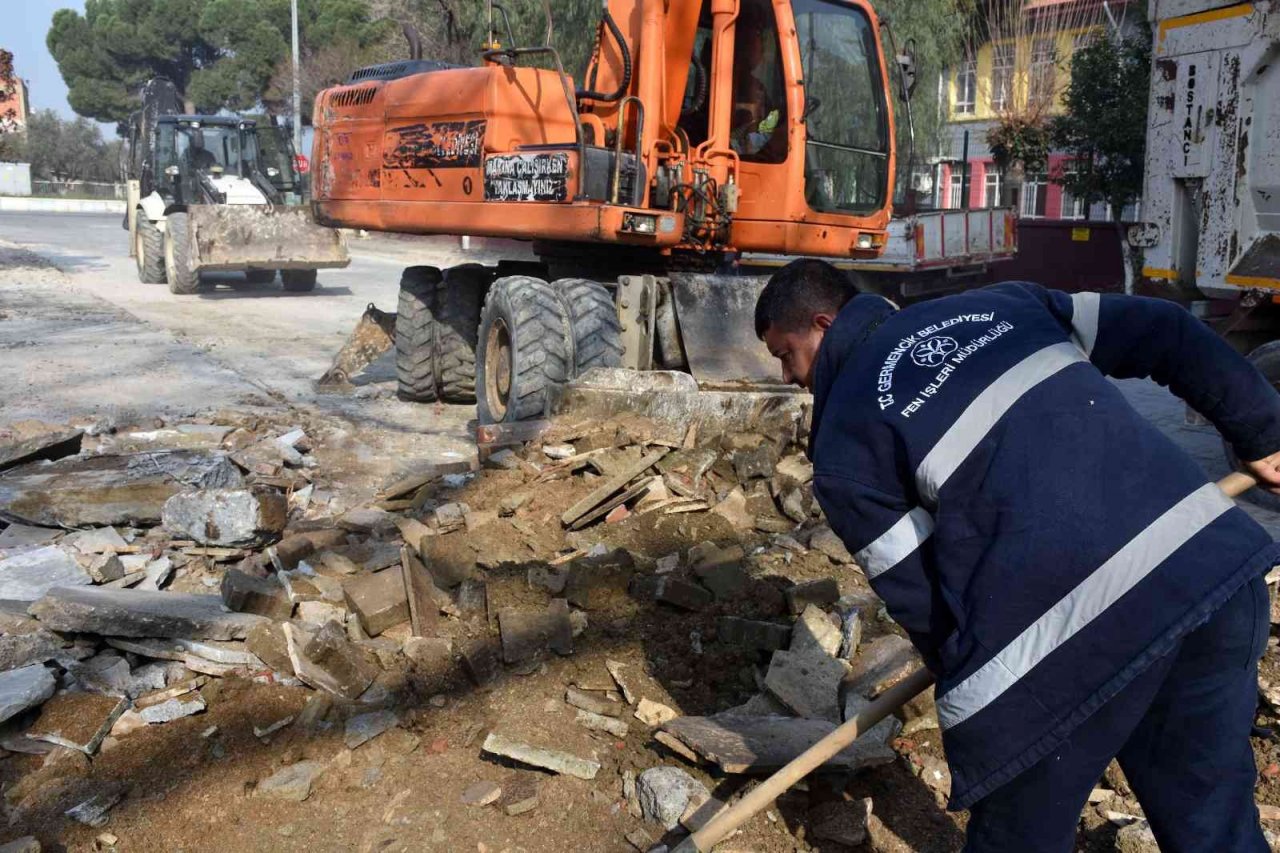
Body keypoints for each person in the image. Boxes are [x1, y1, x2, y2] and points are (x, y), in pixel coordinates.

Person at [754, 257, 1280, 852]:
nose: (789, 376)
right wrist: (1263, 434)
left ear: (823, 325)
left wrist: (992, 705)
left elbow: (922, 599)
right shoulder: (1004, 305)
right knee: (1210, 820)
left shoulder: (844, 441)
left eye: (785, 354)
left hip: (1071, 645)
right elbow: (1166, 328)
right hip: (1208, 572)